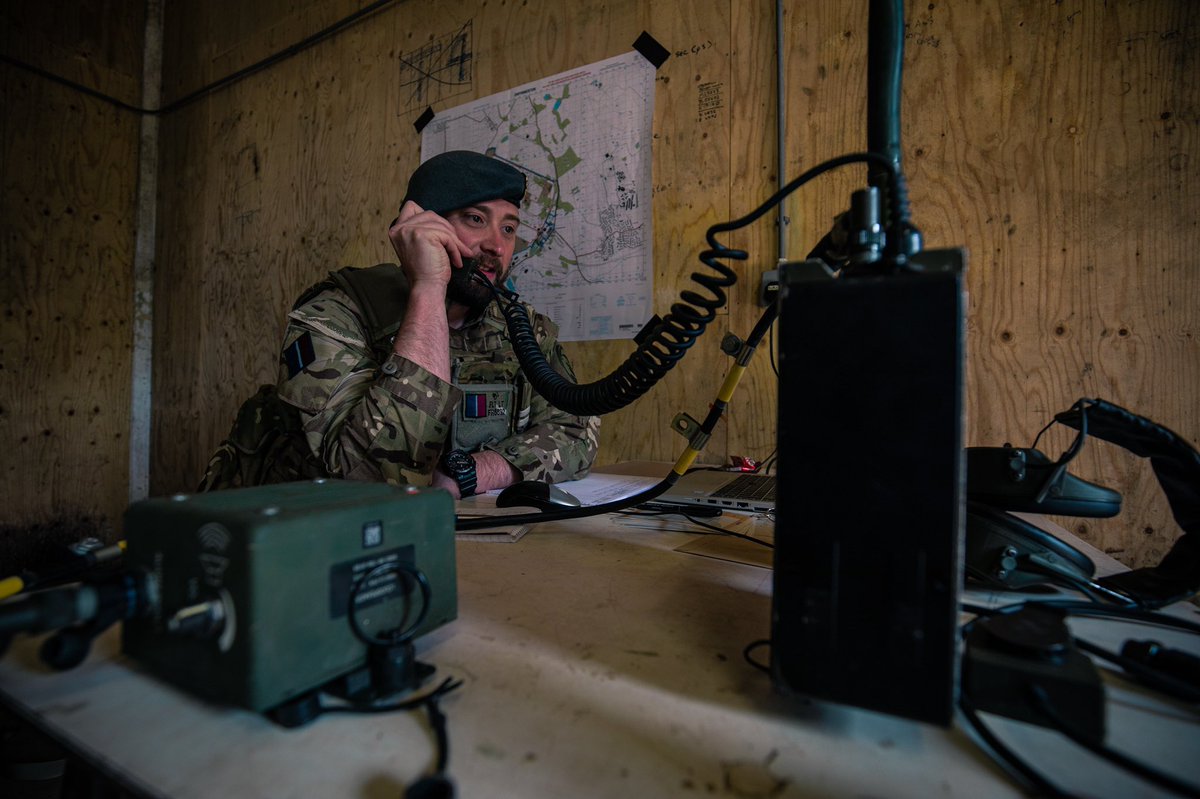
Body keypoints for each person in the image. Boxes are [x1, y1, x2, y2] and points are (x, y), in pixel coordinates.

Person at [199, 150, 599, 496]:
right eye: (476, 219)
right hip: (318, 543)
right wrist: (428, 287)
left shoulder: (523, 327)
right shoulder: (336, 314)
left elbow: (576, 429)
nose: (497, 245)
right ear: (423, 225)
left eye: (509, 227)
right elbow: (369, 479)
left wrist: (475, 472)